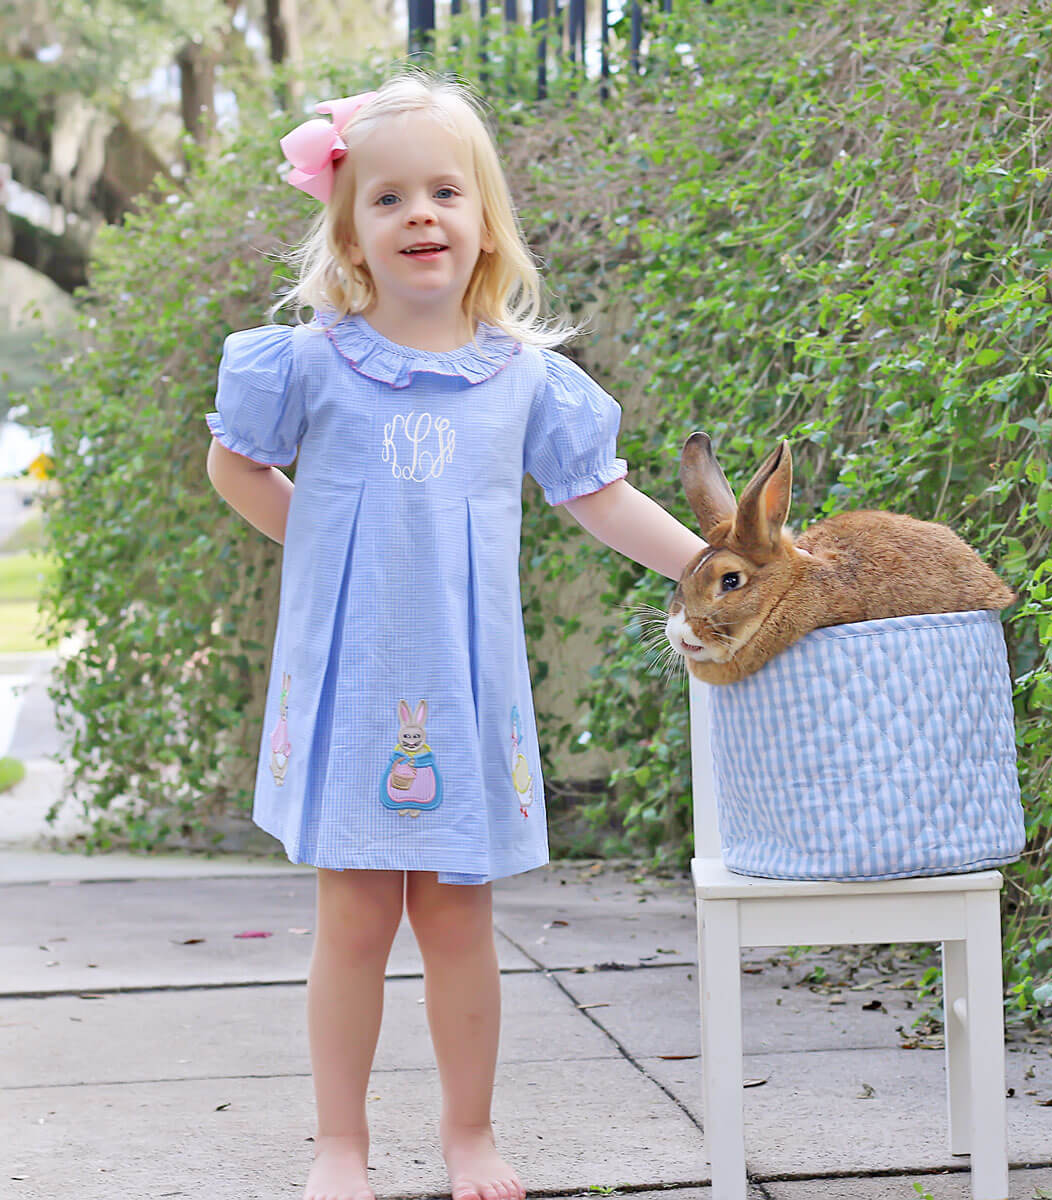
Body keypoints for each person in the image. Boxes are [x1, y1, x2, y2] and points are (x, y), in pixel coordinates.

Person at [205, 71, 706, 1200]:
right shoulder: (313, 362)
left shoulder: (525, 380)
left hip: (466, 693)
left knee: (459, 923)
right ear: (350, 234)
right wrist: (317, 548)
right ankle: (341, 1146)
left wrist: (708, 568)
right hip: (353, 691)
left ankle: (471, 1134)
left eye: (444, 191)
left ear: (484, 222)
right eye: (387, 198)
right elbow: (233, 464)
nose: (419, 213)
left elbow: (597, 495)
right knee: (353, 920)